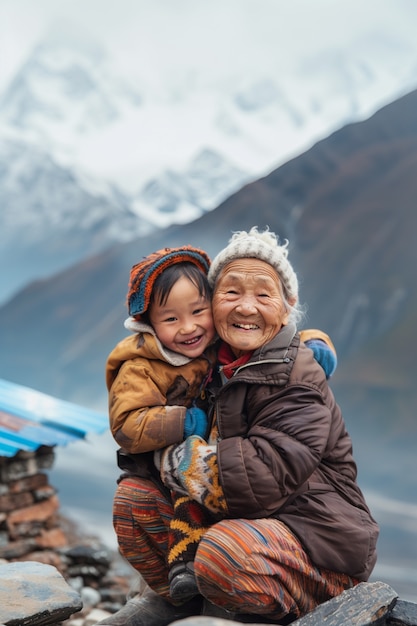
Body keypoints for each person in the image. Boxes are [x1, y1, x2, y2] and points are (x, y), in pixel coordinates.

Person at [99, 233, 351, 626]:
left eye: (264, 295)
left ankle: (274, 605)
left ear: (287, 308)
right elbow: (133, 426)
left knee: (222, 553)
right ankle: (181, 601)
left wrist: (176, 458)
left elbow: (257, 483)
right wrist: (162, 443)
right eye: (231, 291)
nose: (246, 306)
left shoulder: (298, 373)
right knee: (134, 501)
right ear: (216, 304)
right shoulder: (215, 357)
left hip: (315, 540)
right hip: (242, 526)